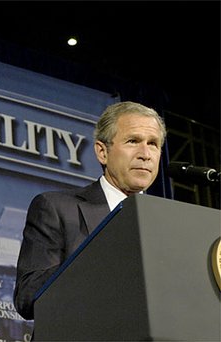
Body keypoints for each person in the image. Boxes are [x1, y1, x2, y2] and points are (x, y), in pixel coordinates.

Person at [13, 101, 167, 320]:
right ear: (102, 152)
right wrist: (99, 263)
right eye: (133, 141)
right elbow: (27, 298)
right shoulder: (56, 208)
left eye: (153, 144)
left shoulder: (167, 224)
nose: (145, 154)